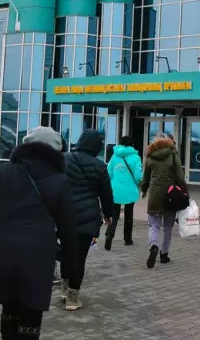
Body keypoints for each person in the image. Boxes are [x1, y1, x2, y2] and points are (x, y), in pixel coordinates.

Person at [0, 127, 78, 340]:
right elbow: (68, 225)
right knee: (32, 309)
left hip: (3, 249)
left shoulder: (6, 171)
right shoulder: (59, 179)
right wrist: (69, 261)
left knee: (9, 306)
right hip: (39, 253)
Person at [60, 129, 115, 310]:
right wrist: (108, 213)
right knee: (79, 257)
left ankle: (64, 289)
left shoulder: (64, 159)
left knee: (66, 253)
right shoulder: (100, 166)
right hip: (88, 216)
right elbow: (106, 194)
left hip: (65, 214)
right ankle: (72, 298)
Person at [140, 133, 187, 269]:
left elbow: (145, 178)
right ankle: (164, 254)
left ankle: (153, 246)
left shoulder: (150, 157)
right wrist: (185, 192)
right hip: (171, 196)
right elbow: (180, 177)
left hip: (154, 195)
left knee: (153, 225)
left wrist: (144, 190)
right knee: (167, 227)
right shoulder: (173, 155)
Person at [104, 135, 143, 250]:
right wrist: (137, 182)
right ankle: (127, 239)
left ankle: (110, 234)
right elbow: (138, 176)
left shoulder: (114, 155)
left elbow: (109, 172)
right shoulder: (136, 157)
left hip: (115, 189)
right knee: (128, 214)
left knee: (114, 214)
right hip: (130, 189)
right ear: (131, 144)